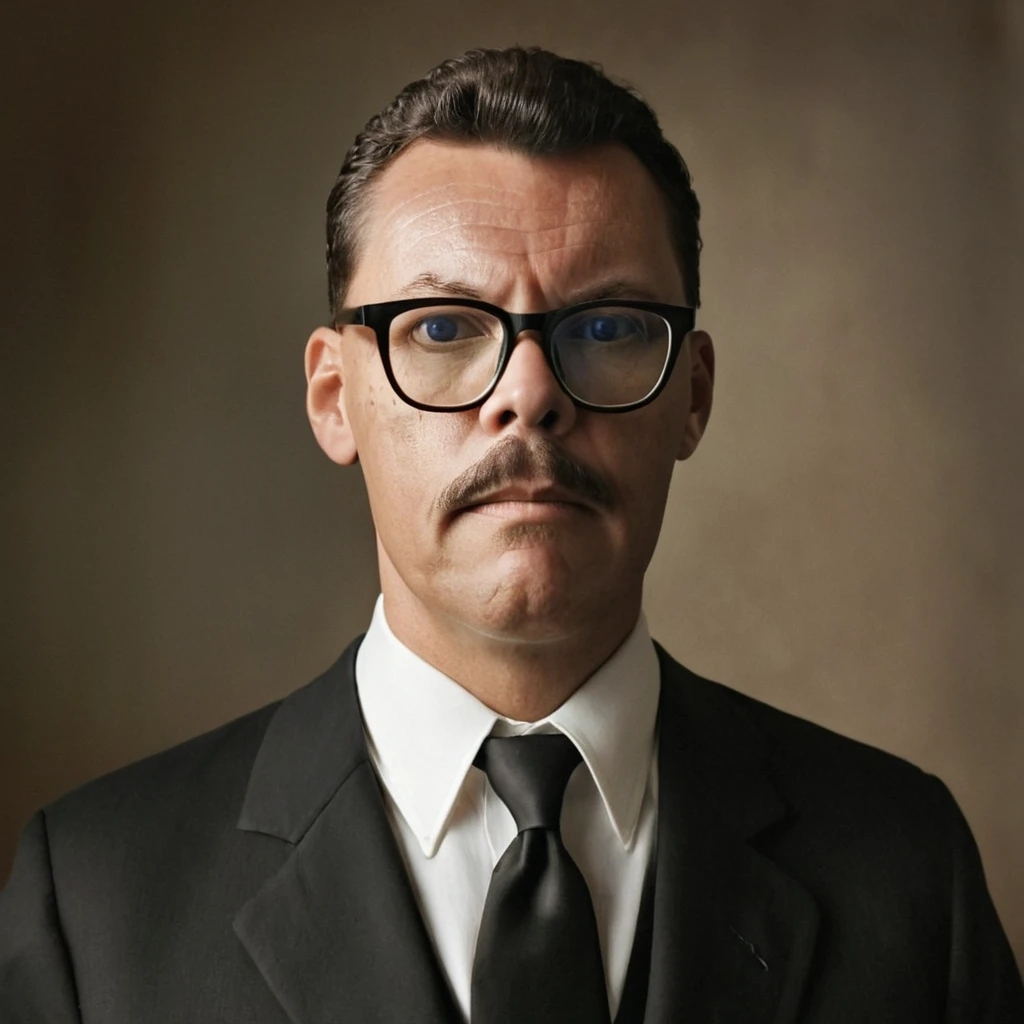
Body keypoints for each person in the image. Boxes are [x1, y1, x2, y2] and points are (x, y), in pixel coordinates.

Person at [1, 45, 1021, 1024]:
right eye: (444, 328)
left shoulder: (903, 868)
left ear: (693, 394)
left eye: (610, 326)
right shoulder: (93, 900)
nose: (529, 395)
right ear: (333, 397)